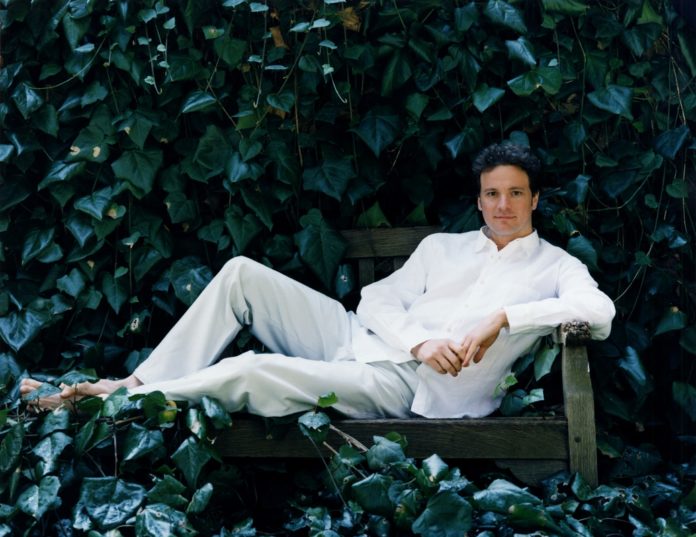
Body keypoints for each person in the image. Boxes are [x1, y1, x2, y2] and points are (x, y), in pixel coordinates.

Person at [20, 142, 616, 419]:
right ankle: (139, 381)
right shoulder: (444, 247)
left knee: (253, 370)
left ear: (535, 199)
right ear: (479, 200)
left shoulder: (555, 266)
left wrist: (504, 318)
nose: (504, 205)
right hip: (361, 339)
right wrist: (419, 341)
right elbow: (377, 299)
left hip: (406, 389)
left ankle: (110, 402)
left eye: (516, 193)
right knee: (241, 275)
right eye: (492, 194)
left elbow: (599, 312)